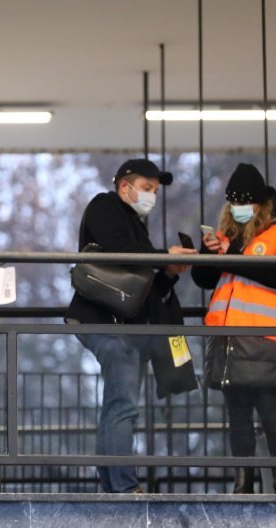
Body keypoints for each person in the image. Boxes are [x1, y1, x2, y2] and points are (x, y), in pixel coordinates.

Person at [66, 158, 196, 494]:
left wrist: (166, 272)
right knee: (123, 406)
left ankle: (113, 484)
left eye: (154, 191)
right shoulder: (105, 206)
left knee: (117, 405)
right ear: (125, 187)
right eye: (147, 188)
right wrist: (161, 256)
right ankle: (123, 487)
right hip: (104, 322)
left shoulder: (136, 225)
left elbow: (140, 286)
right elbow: (121, 252)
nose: (151, 196)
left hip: (123, 325)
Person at [191, 163, 276, 494]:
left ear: (261, 204)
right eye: (233, 204)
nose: (238, 210)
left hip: (265, 335)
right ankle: (243, 483)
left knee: (268, 406)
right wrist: (208, 254)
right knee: (236, 410)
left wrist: (234, 256)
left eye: (245, 204)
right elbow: (203, 279)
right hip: (227, 335)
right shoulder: (228, 236)